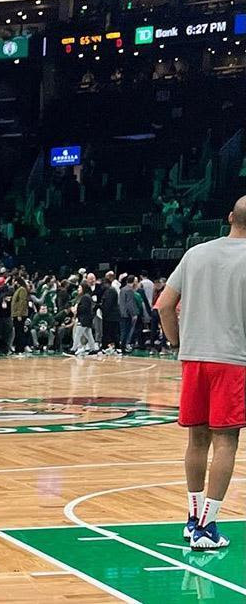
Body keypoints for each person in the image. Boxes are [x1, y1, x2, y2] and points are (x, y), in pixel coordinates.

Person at [157, 195, 246, 550]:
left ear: (228, 216)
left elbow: (164, 304)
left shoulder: (195, 253)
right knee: (227, 441)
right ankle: (208, 528)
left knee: (197, 440)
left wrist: (179, 343)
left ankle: (193, 518)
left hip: (194, 358)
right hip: (233, 360)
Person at [71, 283, 99, 356]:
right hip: (87, 319)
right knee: (88, 334)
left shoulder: (85, 297)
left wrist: (76, 309)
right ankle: (93, 349)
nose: (78, 289)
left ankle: (73, 349)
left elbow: (84, 308)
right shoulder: (87, 296)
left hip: (84, 319)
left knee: (77, 334)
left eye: (79, 288)